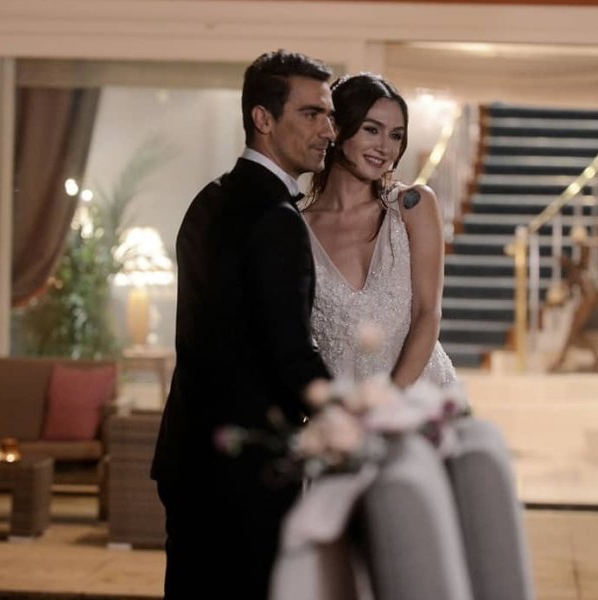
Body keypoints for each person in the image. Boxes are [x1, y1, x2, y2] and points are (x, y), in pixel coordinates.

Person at [150, 50, 334, 599]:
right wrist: (358, 416)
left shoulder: (208, 200)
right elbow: (290, 354)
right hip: (250, 470)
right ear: (263, 118)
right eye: (311, 114)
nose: (328, 130)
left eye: (329, 115)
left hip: (189, 456)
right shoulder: (278, 219)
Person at [302, 72, 455, 386]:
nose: (385, 147)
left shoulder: (413, 206)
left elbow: (427, 313)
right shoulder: (298, 228)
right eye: (372, 130)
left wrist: (390, 402)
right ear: (336, 128)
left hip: (420, 396)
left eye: (396, 136)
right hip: (345, 407)